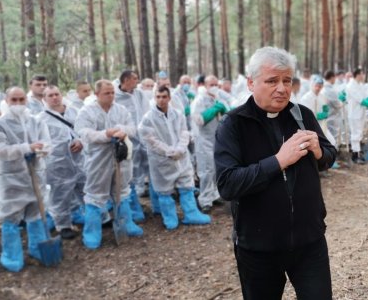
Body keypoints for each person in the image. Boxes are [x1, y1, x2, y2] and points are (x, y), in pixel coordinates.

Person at [215, 46, 336, 299]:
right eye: (272, 81)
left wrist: (318, 152)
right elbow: (227, 184)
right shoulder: (234, 124)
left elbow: (328, 156)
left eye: (287, 80)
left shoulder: (302, 115)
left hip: (309, 240)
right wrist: (278, 161)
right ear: (251, 83)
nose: (282, 88)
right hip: (259, 248)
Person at [75, 80, 143, 250]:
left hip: (119, 158)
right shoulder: (87, 111)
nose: (111, 96)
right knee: (95, 194)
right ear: (97, 94)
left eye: (112, 92)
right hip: (97, 160)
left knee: (121, 190)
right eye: (107, 93)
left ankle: (126, 223)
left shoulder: (121, 109)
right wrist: (105, 134)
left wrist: (122, 131)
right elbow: (83, 132)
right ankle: (92, 232)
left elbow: (133, 127)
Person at [139, 86, 210, 229]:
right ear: (154, 98)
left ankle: (191, 214)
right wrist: (169, 151)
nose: (161, 100)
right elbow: (150, 139)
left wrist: (180, 148)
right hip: (161, 160)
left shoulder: (178, 114)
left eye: (164, 97)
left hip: (181, 157)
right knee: (164, 190)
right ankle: (170, 218)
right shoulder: (148, 118)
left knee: (186, 186)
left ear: (169, 98)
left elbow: (184, 132)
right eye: (158, 97)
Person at [0, 87, 52, 272]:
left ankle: (38, 249)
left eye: (21, 99)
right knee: (11, 218)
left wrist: (40, 150)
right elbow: (1, 150)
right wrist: (26, 148)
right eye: (14, 100)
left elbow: (47, 143)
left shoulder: (36, 121)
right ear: (6, 101)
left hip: (36, 174)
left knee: (36, 215)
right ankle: (11, 255)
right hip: (12, 178)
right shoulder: (1, 124)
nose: (18, 103)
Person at [38, 86, 86, 239]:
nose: (54, 97)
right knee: (60, 194)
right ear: (44, 99)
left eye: (56, 94)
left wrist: (81, 141)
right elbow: (40, 142)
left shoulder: (74, 111)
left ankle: (98, 218)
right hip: (58, 163)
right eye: (50, 95)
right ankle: (63, 225)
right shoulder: (40, 119)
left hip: (79, 160)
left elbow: (84, 129)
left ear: (61, 95)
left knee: (86, 189)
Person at [114, 70, 148, 221]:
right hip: (127, 141)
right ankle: (133, 208)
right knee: (129, 174)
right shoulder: (115, 97)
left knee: (150, 169)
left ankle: (156, 205)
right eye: (135, 78)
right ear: (126, 80)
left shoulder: (139, 94)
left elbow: (146, 114)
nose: (137, 81)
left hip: (143, 138)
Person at [191, 75, 226, 213]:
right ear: (205, 86)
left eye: (216, 84)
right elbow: (198, 119)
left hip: (217, 139)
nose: (215, 87)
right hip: (204, 140)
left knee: (216, 169)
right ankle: (204, 200)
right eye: (212, 84)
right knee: (206, 171)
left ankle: (214, 194)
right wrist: (211, 112)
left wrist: (222, 111)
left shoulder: (217, 99)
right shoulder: (199, 100)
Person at [346, 69, 368, 164]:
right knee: (355, 134)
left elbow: (365, 96)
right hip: (354, 113)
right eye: (362, 74)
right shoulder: (351, 86)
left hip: (360, 113)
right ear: (357, 75)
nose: (363, 76)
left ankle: (359, 153)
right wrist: (367, 102)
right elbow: (360, 99)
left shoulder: (360, 85)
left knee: (360, 134)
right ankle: (355, 155)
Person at [300, 76, 337, 146]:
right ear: (312, 85)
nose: (318, 88)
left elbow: (324, 109)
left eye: (320, 86)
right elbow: (306, 115)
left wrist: (325, 111)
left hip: (321, 125)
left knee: (332, 142)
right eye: (316, 86)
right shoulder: (306, 98)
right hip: (310, 127)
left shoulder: (322, 97)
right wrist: (317, 115)